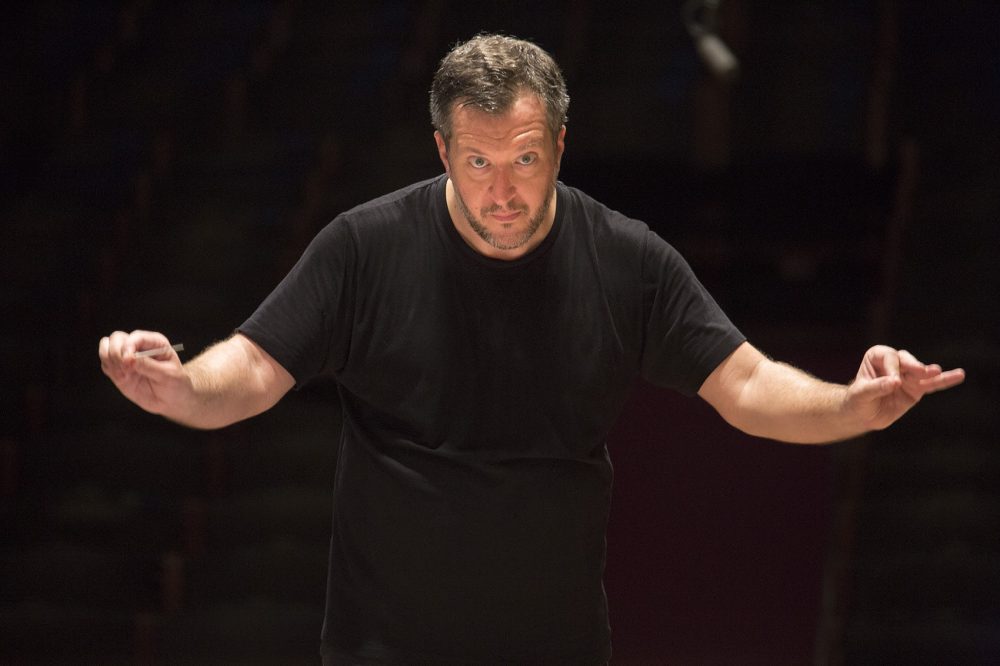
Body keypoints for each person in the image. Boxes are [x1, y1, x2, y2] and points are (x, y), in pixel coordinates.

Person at [99, 34, 965, 665]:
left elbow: (747, 385)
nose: (503, 192)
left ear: (558, 145)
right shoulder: (364, 249)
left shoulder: (628, 260)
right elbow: (250, 367)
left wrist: (850, 406)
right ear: (441, 150)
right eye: (477, 164)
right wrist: (179, 388)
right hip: (383, 648)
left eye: (523, 159)